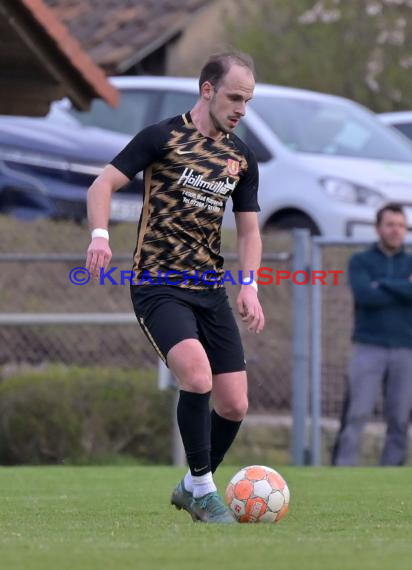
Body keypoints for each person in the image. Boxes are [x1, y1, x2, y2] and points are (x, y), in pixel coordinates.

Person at [85, 51, 265, 522]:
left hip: (210, 290)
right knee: (198, 376)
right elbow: (101, 186)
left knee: (234, 404)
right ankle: (206, 492)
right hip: (157, 284)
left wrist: (250, 286)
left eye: (247, 100)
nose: (241, 109)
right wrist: (100, 236)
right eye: (234, 97)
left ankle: (190, 485)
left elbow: (248, 230)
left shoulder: (240, 159)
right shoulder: (162, 137)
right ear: (207, 89)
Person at [333, 203, 412, 466]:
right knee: (357, 414)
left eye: (401, 225)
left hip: (405, 349)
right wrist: (403, 287)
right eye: (390, 225)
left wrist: (383, 284)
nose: (396, 230)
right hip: (368, 347)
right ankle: (342, 472)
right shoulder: (361, 261)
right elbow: (366, 295)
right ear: (378, 228)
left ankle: (391, 474)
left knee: (399, 418)